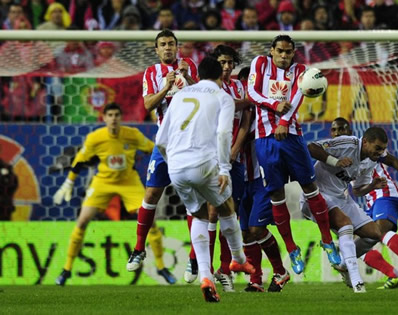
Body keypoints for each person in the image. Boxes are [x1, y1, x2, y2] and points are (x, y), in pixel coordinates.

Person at [155, 56, 255, 303]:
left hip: (176, 166)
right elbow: (223, 133)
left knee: (199, 214)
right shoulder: (222, 97)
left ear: (198, 74)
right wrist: (223, 168)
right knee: (227, 207)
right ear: (222, 76)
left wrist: (174, 164)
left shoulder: (179, 96)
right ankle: (238, 259)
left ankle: (206, 275)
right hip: (204, 163)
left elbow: (160, 140)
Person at [247, 34, 341, 275]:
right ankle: (291, 248)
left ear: (293, 52)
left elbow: (298, 98)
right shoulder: (260, 63)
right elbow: (252, 93)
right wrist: (274, 104)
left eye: (288, 52)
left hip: (291, 137)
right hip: (265, 139)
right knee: (277, 195)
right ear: (272, 50)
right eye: (280, 51)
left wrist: (284, 121)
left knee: (310, 188)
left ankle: (327, 241)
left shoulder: (301, 71)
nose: (284, 56)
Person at [53, 103, 176, 285]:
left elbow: (153, 149)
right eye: (109, 115)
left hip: (129, 181)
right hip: (103, 181)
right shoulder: (96, 138)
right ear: (104, 118)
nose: (113, 118)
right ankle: (66, 269)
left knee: (151, 222)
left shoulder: (132, 134)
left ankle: (161, 267)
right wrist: (69, 181)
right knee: (82, 221)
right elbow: (80, 159)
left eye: (116, 115)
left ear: (121, 117)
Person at [125, 29, 197, 278]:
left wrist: (189, 80)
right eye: (163, 44)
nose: (168, 48)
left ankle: (194, 257)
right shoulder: (152, 73)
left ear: (178, 47)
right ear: (156, 50)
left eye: (171, 44)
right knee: (152, 193)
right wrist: (166, 87)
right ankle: (138, 248)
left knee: (192, 199)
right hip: (165, 143)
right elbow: (147, 105)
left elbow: (205, 94)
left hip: (190, 143)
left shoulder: (189, 67)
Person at [327, 118, 398, 290]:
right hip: (370, 199)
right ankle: (395, 275)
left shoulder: (367, 149)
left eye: (341, 129)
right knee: (357, 243)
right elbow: (357, 191)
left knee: (380, 231)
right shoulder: (341, 156)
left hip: (384, 193)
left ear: (350, 131)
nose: (337, 133)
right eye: (334, 130)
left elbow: (395, 162)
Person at [199, 44, 252, 292]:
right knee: (212, 213)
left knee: (231, 213)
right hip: (211, 159)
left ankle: (224, 269)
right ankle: (205, 270)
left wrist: (234, 150)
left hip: (235, 159)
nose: (228, 67)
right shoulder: (209, 88)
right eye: (223, 62)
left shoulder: (240, 86)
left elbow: (246, 120)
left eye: (231, 62)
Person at [238, 67, 290, 293]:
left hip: (262, 180)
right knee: (245, 233)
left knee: (257, 229)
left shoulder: (265, 116)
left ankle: (280, 271)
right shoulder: (235, 116)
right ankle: (255, 279)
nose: (246, 92)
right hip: (241, 178)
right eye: (242, 87)